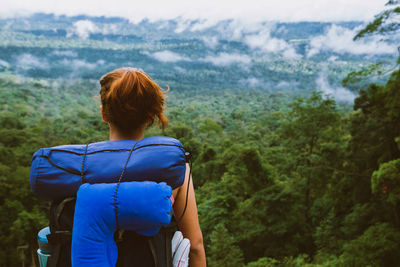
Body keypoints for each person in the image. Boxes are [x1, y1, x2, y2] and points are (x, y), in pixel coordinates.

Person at [99, 67, 206, 267]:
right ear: (151, 117)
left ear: (104, 113)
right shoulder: (174, 168)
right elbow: (195, 246)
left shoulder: (78, 167)